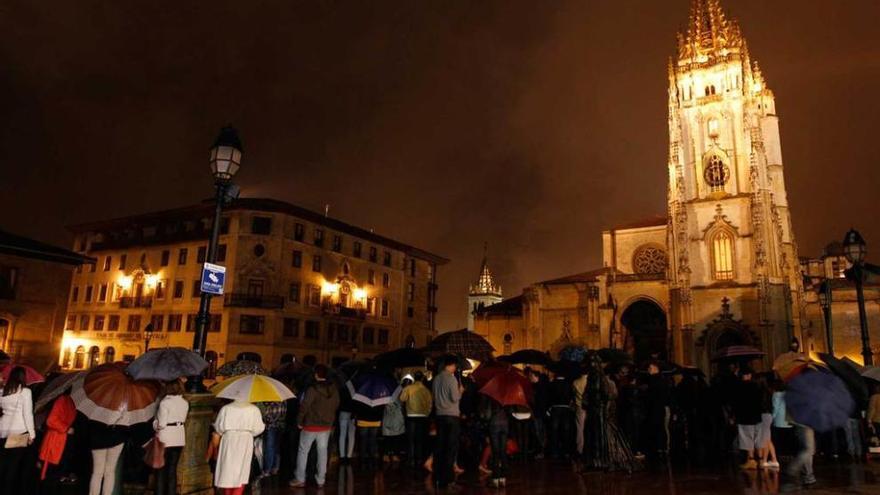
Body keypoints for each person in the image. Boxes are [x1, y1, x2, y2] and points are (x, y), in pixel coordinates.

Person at [582, 354, 639, 472]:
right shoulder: (591, 377)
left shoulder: (602, 378)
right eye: (590, 363)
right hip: (593, 410)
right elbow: (587, 393)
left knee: (604, 436)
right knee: (592, 435)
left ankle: (605, 460)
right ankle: (594, 460)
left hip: (601, 410)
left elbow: (608, 395)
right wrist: (586, 402)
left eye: (594, 363)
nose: (592, 365)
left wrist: (605, 410)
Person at [290, 364, 340, 488]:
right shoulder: (334, 389)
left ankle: (300, 478)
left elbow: (305, 406)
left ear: (316, 374)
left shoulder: (312, 389)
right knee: (322, 452)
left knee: (303, 451)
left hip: (310, 425)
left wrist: (299, 421)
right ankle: (321, 479)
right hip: (326, 426)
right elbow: (337, 404)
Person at [213, 399, 265, 495]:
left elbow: (218, 427)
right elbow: (259, 428)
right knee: (241, 471)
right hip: (245, 441)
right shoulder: (254, 409)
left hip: (229, 440)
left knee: (227, 470)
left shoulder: (226, 408)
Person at [0, 366, 36, 492]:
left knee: (3, 463)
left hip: (3, 430)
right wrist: (32, 434)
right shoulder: (25, 392)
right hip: (19, 431)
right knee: (13, 466)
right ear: (23, 377)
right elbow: (28, 414)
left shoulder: (2, 391)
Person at [154, 380, 189, 495]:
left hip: (166, 438)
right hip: (179, 438)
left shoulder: (165, 402)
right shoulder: (184, 402)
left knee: (161, 470)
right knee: (172, 469)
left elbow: (162, 424)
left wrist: (154, 423)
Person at [432, 355, 462, 489]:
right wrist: (460, 391)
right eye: (455, 366)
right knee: (450, 448)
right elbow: (455, 398)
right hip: (451, 416)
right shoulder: (451, 378)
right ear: (450, 366)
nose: (455, 369)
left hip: (439, 415)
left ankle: (438, 478)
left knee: (440, 447)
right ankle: (449, 480)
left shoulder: (436, 378)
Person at [38, 391, 77, 482]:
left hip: (55, 441)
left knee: (50, 474)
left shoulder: (61, 400)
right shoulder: (70, 401)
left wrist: (65, 428)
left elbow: (51, 420)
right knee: (56, 473)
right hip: (64, 441)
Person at [399, 371, 432, 467]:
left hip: (411, 415)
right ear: (422, 378)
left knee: (411, 439)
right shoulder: (426, 390)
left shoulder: (408, 388)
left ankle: (411, 459)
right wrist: (427, 413)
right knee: (419, 439)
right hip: (423, 416)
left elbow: (402, 399)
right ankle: (419, 459)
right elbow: (430, 403)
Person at [86, 420, 128, 495]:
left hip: (97, 439)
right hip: (117, 439)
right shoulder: (124, 409)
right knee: (110, 472)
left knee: (97, 472)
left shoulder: (98, 408)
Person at [733, 368, 763, 470]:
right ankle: (761, 460)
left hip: (745, 417)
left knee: (747, 438)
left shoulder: (739, 387)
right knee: (758, 438)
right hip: (757, 416)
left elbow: (736, 403)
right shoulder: (757, 386)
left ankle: (751, 460)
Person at [643, 362, 671, 461]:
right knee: (660, 428)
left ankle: (658, 448)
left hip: (655, 408)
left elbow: (651, 396)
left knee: (657, 428)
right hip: (659, 408)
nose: (648, 369)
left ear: (656, 369)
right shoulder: (663, 380)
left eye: (650, 368)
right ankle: (661, 448)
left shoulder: (654, 381)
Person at [480, 395, 509, 487]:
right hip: (504, 424)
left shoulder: (490, 395)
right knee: (503, 451)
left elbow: (485, 414)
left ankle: (496, 478)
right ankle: (503, 477)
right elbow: (511, 411)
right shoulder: (506, 395)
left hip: (494, 424)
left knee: (495, 451)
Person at [547, 368, 574, 458]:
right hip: (566, 408)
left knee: (554, 430)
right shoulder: (568, 384)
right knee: (566, 430)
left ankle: (555, 451)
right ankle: (566, 450)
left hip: (555, 408)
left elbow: (549, 397)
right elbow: (571, 396)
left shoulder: (552, 384)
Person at [256, 400, 287, 478]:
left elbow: (269, 418)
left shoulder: (272, 402)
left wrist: (263, 412)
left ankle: (267, 470)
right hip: (281, 426)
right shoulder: (283, 400)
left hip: (271, 427)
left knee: (269, 448)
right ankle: (275, 467)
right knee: (276, 447)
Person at [337, 380, 357, 464]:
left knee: (342, 434)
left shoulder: (341, 388)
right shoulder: (355, 387)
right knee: (351, 435)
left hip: (343, 412)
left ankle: (342, 456)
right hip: (353, 413)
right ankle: (349, 456)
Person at [572, 371, 588, 456]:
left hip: (579, 407)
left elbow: (573, 394)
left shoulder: (576, 382)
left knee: (579, 428)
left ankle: (579, 449)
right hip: (589, 407)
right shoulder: (590, 381)